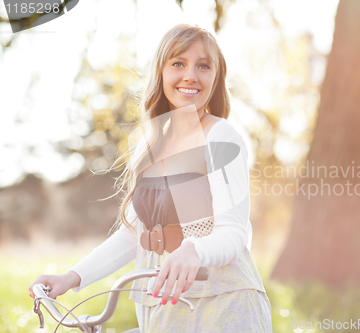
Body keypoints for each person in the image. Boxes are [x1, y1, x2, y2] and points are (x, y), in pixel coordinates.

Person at [29, 23, 273, 332]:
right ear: (160, 72)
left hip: (224, 307)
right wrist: (70, 277)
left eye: (203, 66)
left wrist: (194, 249)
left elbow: (233, 234)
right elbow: (133, 235)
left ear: (216, 77)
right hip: (163, 310)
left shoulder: (221, 136)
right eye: (178, 63)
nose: (190, 76)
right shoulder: (149, 146)